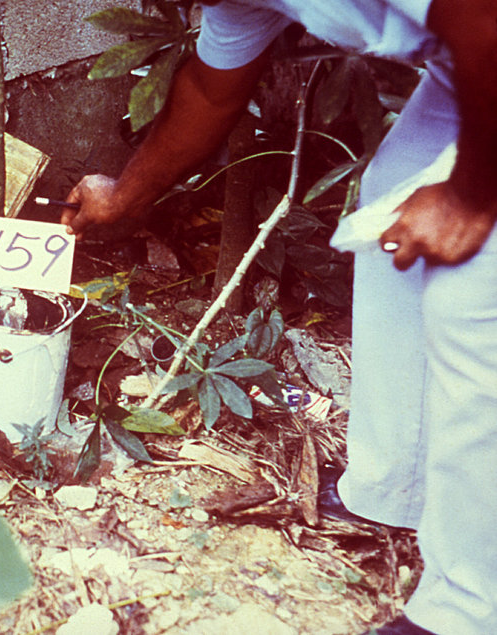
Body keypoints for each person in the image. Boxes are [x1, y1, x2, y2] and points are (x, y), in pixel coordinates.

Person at [60, 2, 497, 634]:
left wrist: (467, 197)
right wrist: (125, 196)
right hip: (472, 68)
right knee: (392, 209)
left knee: (474, 295)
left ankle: (469, 608)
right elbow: (213, 88)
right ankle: (398, 490)